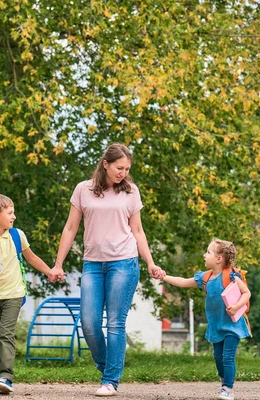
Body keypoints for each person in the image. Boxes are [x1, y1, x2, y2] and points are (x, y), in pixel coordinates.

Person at [51, 143, 165, 397]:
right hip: (92, 264)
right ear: (105, 164)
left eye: (127, 169)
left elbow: (137, 230)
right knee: (89, 323)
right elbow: (70, 228)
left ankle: (110, 380)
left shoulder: (131, 192)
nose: (123, 173)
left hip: (124, 262)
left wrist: (150, 261)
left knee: (115, 322)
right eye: (119, 167)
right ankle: (108, 369)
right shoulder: (83, 189)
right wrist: (58, 263)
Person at [0, 194, 56, 395]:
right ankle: (2, 376)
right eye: (10, 213)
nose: (14, 216)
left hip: (14, 293)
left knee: (5, 334)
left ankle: (6, 376)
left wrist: (49, 271)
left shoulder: (17, 235)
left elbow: (31, 258)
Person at [160, 238, 251, 400]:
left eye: (208, 252)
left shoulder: (231, 276)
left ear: (218, 258)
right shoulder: (205, 277)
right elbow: (183, 282)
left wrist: (236, 307)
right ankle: (224, 380)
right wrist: (164, 277)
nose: (204, 255)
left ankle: (228, 388)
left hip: (232, 325)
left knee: (228, 356)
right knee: (218, 357)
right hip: (216, 325)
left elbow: (246, 293)